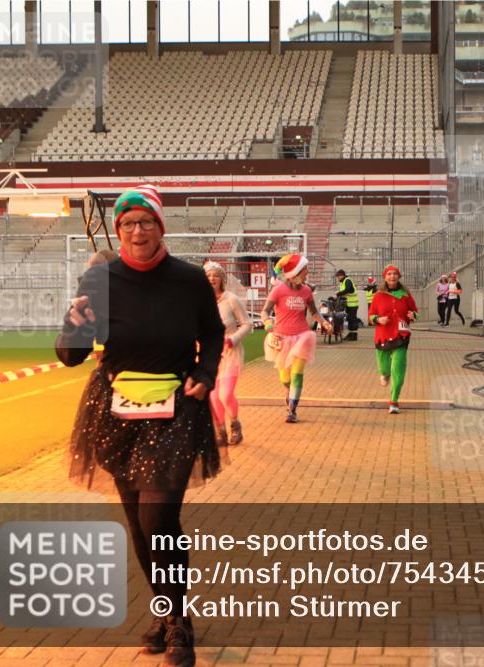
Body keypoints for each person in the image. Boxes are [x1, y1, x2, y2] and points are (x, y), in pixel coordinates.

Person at [55, 184, 224, 667]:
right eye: (128, 223)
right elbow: (71, 356)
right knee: (136, 523)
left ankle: (177, 624)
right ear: (120, 230)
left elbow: (211, 334)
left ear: (159, 226)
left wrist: (205, 372)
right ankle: (167, 610)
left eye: (145, 221)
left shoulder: (189, 280)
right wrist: (75, 324)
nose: (136, 231)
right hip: (116, 411)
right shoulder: (99, 280)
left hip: (175, 409)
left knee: (158, 519)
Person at [262, 254, 332, 423]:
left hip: (302, 337)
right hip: (281, 337)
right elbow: (265, 311)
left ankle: (292, 410)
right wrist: (268, 325)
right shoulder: (278, 290)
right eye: (305, 270)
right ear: (295, 273)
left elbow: (314, 312)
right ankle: (289, 391)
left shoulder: (307, 291)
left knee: (297, 373)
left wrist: (323, 323)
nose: (307, 273)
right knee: (285, 378)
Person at [204, 262, 252, 446]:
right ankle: (220, 431)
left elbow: (247, 324)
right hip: (210, 355)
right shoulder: (200, 301)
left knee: (225, 394)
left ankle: (234, 424)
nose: (212, 279)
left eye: (216, 275)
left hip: (230, 352)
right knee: (213, 396)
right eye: (208, 276)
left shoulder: (231, 299)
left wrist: (234, 338)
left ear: (222, 278)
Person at [368, 265, 418, 414]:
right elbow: (370, 317)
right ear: (385, 277)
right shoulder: (378, 296)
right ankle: (385, 374)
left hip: (401, 336)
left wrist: (413, 316)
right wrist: (377, 319)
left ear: (399, 276)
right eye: (389, 274)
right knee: (384, 368)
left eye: (395, 274)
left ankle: (394, 401)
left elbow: (415, 312)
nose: (392, 276)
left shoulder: (405, 295)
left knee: (398, 369)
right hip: (382, 336)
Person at [335, 269, 359, 341]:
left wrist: (338, 293)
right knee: (350, 319)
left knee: (352, 319)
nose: (338, 278)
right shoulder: (343, 282)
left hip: (352, 304)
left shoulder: (347, 280)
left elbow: (348, 290)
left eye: (338, 276)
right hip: (349, 304)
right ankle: (351, 334)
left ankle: (353, 335)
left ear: (342, 275)